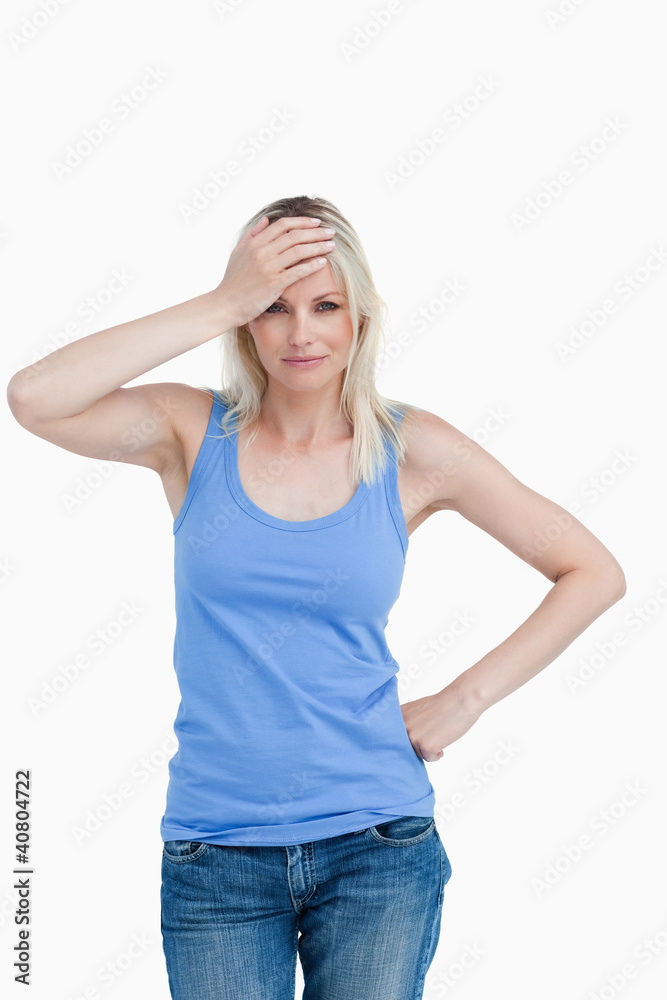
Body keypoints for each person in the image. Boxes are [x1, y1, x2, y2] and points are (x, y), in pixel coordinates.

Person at [7, 194, 626, 1000]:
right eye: (274, 306)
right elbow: (35, 398)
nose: (300, 333)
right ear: (246, 322)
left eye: (325, 306)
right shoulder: (189, 431)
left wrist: (463, 700)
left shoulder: (413, 449)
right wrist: (222, 299)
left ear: (359, 317)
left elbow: (591, 571)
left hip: (377, 845)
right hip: (216, 853)